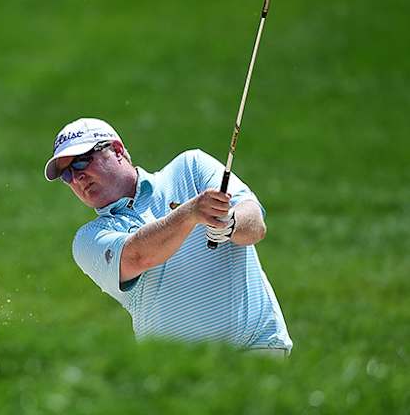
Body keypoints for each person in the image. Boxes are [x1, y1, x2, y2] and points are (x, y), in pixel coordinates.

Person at [44, 117, 292, 355]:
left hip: (255, 347)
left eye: (80, 162)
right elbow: (137, 256)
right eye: (66, 175)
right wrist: (190, 213)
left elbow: (255, 224)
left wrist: (230, 224)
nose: (76, 178)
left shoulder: (191, 166)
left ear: (117, 150)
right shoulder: (88, 239)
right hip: (177, 374)